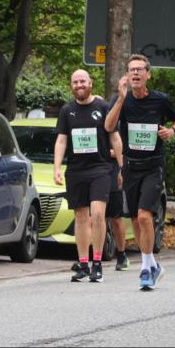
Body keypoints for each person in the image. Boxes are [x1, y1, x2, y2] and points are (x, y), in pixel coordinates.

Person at [105, 54, 175, 291]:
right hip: (131, 166)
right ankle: (152, 264)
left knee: (145, 215)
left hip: (153, 165)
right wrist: (120, 99)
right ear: (127, 75)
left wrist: (172, 131)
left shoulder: (160, 100)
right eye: (131, 70)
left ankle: (146, 268)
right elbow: (108, 126)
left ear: (148, 74)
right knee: (136, 220)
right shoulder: (121, 100)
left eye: (140, 70)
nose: (136, 73)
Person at [54, 69, 124, 283]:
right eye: (75, 82)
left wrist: (122, 167)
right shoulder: (67, 110)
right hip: (76, 170)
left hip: (101, 168)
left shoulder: (103, 107)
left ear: (90, 83)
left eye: (82, 81)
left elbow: (115, 139)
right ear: (71, 86)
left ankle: (97, 263)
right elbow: (61, 141)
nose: (79, 85)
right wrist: (57, 167)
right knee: (81, 217)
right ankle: (83, 264)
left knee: (98, 214)